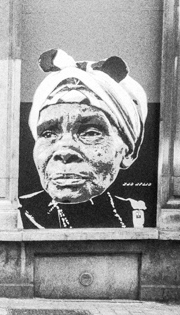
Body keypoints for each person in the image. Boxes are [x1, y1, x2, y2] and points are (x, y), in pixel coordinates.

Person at [19, 48, 148, 229]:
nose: (64, 151)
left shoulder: (136, 215)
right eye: (48, 134)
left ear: (128, 152)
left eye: (90, 132)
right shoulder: (17, 214)